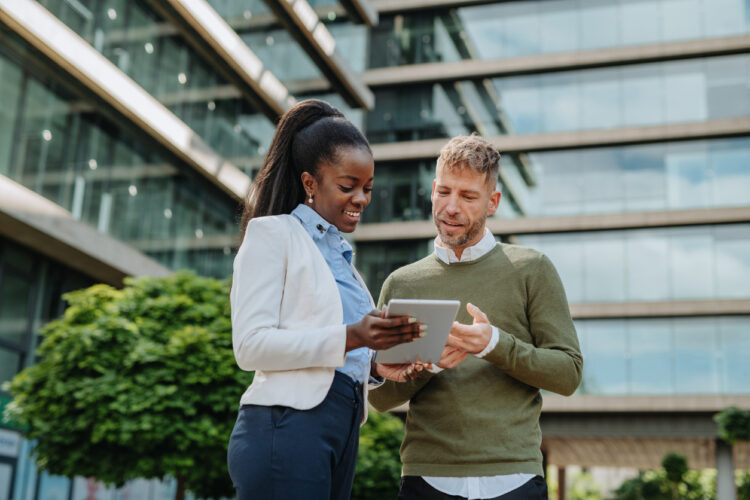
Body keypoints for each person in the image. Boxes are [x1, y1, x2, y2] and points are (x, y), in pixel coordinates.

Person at [228, 99, 424, 500]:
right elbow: (250, 347)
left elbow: (339, 351)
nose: (361, 199)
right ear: (310, 183)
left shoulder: (344, 261)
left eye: (367, 188)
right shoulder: (273, 234)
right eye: (347, 186)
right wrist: (354, 335)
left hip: (341, 429)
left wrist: (379, 364)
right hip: (287, 429)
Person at [369, 134, 583, 500]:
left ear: (493, 202)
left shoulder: (532, 269)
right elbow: (381, 398)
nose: (452, 207)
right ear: (433, 190)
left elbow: (568, 374)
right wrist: (429, 365)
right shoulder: (401, 283)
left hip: (513, 478)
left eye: (468, 197)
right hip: (425, 480)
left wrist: (495, 345)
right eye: (444, 192)